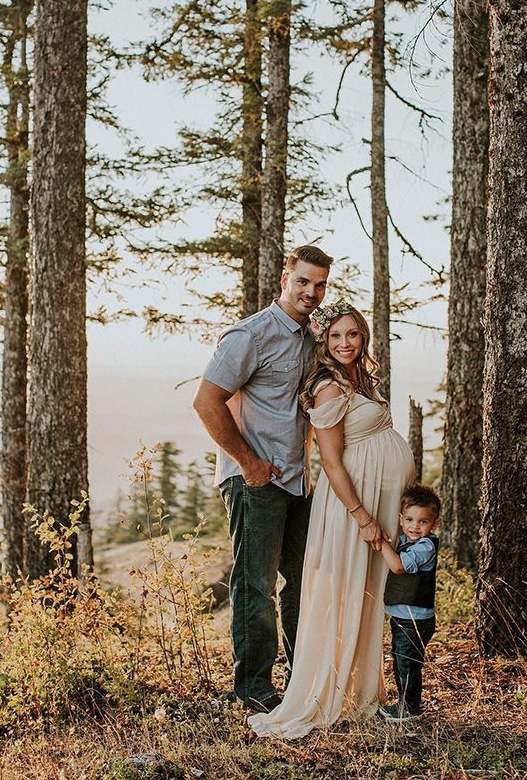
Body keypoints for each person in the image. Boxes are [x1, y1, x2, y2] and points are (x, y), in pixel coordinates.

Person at [248, 301, 415, 739]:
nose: (345, 343)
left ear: (363, 338)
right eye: (336, 335)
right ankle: (324, 691)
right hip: (350, 506)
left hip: (374, 500)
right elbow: (333, 462)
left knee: (367, 594)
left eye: (353, 335)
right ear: (324, 340)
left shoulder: (358, 377)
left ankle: (360, 692)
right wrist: (362, 517)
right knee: (343, 592)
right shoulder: (325, 385)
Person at [192, 245, 333, 713]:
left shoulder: (309, 338)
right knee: (255, 585)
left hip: (296, 480)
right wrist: (248, 463)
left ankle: (300, 680)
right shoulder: (250, 335)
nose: (311, 292)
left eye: (320, 285)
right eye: (303, 282)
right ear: (284, 279)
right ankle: (253, 689)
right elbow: (207, 402)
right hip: (255, 479)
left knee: (301, 582)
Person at [379, 484, 440, 721]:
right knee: (401, 658)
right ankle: (406, 703)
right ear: (401, 519)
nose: (415, 526)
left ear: (434, 524)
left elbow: (398, 566)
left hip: (415, 619)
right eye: (410, 519)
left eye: (423, 521)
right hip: (404, 616)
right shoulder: (407, 539)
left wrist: (381, 542)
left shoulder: (426, 547)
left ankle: (410, 708)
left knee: (407, 663)